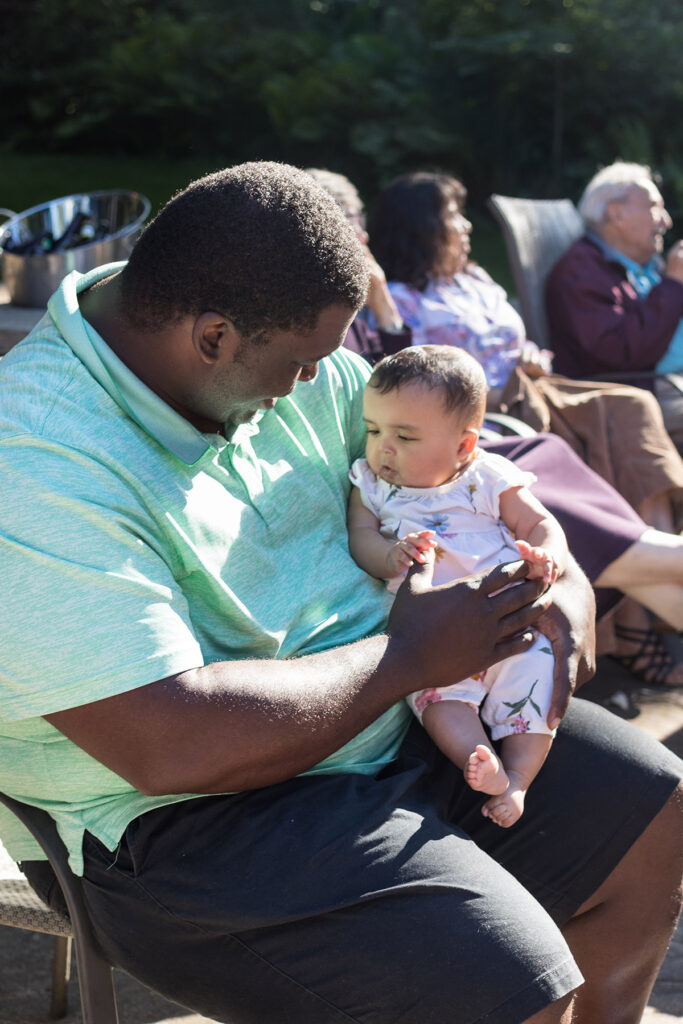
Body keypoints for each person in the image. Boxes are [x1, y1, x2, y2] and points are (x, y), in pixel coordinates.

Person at [0, 160, 681, 1024]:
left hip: (388, 720)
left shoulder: (268, 350)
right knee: (507, 979)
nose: (317, 385)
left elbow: (458, 460)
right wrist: (408, 654)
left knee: (649, 810)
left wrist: (563, 585)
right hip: (172, 824)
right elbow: (166, 742)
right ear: (213, 337)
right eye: (301, 362)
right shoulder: (35, 459)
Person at [369, 169, 683, 683]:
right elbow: (397, 381)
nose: (467, 226)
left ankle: (644, 604)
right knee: (561, 455)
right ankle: (656, 584)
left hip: (531, 390)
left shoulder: (474, 278)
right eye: (453, 216)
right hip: (486, 420)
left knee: (628, 409)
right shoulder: (399, 301)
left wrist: (529, 353)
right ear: (419, 226)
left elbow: (509, 337)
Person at [348, 346, 567, 828]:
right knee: (439, 702)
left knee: (536, 687)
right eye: (374, 430)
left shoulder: (487, 479)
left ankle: (519, 781)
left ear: (465, 446)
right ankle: (481, 761)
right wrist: (388, 556)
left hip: (512, 624)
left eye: (404, 436)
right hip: (430, 641)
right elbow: (360, 537)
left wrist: (546, 555)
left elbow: (541, 524)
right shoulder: (372, 485)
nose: (383, 447)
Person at [546, 161, 683, 454]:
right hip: (637, 393)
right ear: (615, 213)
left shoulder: (643, 266)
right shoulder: (581, 272)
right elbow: (620, 351)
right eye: (655, 208)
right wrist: (673, 285)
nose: (666, 221)